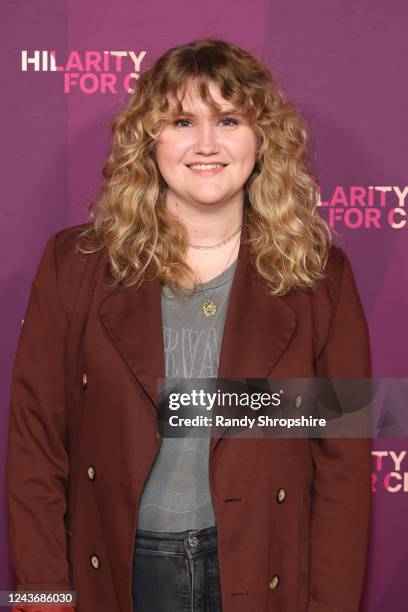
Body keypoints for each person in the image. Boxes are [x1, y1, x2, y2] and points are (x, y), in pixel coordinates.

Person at [6, 38, 372, 612]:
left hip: (262, 571)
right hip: (118, 574)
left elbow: (343, 474)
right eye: (181, 120)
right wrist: (44, 602)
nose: (206, 144)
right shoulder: (72, 265)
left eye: (228, 119)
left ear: (262, 139)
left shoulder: (321, 276)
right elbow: (35, 454)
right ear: (150, 142)